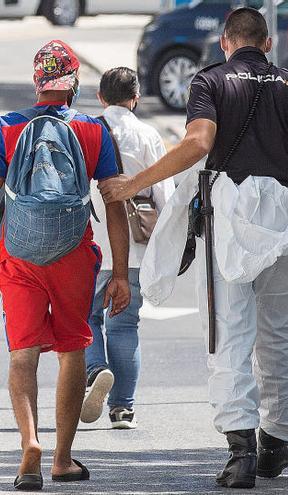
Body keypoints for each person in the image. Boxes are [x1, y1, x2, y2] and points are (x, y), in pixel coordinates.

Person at [99, 8, 288, 489]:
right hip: (287, 221)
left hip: (231, 226)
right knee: (279, 336)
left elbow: (199, 143)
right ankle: (278, 440)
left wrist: (133, 183)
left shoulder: (211, 81)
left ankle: (241, 453)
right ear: (266, 44)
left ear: (224, 42)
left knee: (229, 336)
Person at [0, 40, 130, 491]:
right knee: (73, 349)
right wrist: (119, 272)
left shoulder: (6, 128)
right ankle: (62, 458)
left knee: (23, 353)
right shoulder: (94, 130)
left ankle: (29, 445)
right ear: (72, 84)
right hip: (74, 253)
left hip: (17, 256)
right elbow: (114, 202)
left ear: (38, 84)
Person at [79, 67, 176, 430]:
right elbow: (164, 192)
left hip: (91, 243)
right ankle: (123, 409)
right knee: (126, 326)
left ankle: (96, 369)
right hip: (135, 247)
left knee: (85, 318)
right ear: (134, 98)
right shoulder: (149, 134)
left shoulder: (87, 130)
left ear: (101, 97)